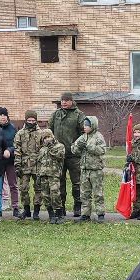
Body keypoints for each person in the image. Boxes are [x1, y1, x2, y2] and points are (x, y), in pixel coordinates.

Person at [49, 92, 86, 222]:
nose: (64, 102)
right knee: (60, 181)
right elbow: (50, 131)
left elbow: (84, 132)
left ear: (71, 101)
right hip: (58, 155)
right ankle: (61, 207)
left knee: (77, 182)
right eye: (62, 100)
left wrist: (77, 146)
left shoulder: (79, 114)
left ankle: (78, 206)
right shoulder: (56, 114)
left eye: (66, 100)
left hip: (73, 155)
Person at [71, 114, 107, 222]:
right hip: (85, 169)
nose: (84, 127)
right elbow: (73, 149)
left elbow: (102, 150)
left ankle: (100, 213)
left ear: (93, 126)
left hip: (95, 170)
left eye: (87, 125)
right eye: (84, 125)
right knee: (84, 193)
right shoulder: (83, 137)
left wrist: (88, 146)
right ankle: (85, 214)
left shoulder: (98, 136)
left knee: (98, 193)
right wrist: (78, 147)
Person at [14, 111, 48, 220]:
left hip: (38, 164)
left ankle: (37, 210)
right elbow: (17, 150)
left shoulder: (41, 133)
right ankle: (26, 209)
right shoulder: (20, 133)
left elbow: (45, 149)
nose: (31, 122)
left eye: (33, 120)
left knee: (39, 188)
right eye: (29, 120)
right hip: (24, 164)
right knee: (23, 188)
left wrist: (44, 164)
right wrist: (17, 165)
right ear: (26, 120)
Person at [0, 106, 22, 218]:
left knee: (13, 185)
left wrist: (9, 150)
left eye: (4, 115)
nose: (2, 117)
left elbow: (16, 145)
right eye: (0, 115)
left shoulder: (12, 129)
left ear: (7, 117)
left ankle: (15, 207)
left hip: (10, 161)